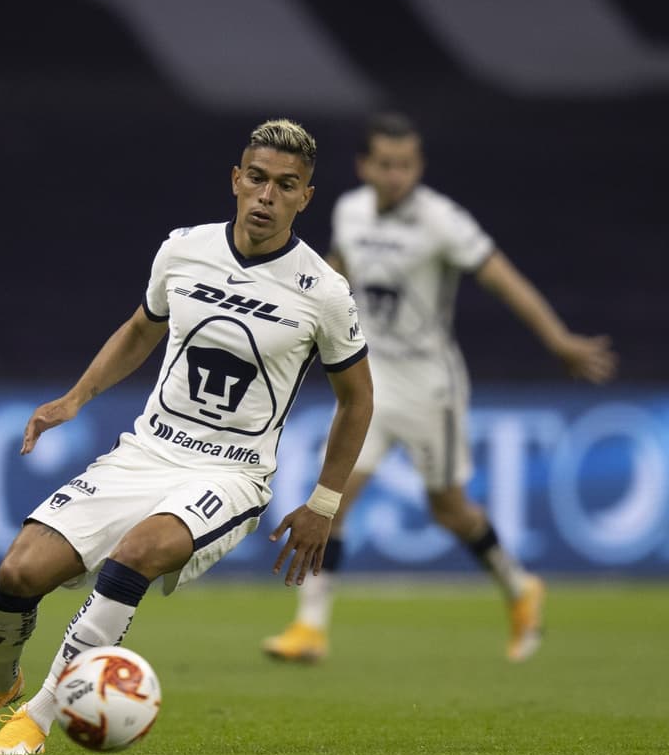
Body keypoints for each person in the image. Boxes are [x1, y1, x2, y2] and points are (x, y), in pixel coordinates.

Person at [0, 119, 374, 755]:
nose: (266, 196)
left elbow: (357, 398)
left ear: (306, 197)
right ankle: (1, 683)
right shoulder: (184, 249)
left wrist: (324, 504)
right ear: (236, 179)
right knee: (17, 573)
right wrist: (75, 398)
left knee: (135, 555)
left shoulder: (324, 292)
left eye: (286, 185)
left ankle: (42, 713)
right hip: (146, 451)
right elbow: (142, 328)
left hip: (231, 473)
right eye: (257, 179)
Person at [261, 112, 617, 665]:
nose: (397, 174)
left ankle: (520, 585)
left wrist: (558, 339)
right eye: (385, 163)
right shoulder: (351, 210)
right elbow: (336, 274)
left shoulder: (442, 221)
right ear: (364, 165)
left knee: (449, 509)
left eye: (406, 164)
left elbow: (504, 280)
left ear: (418, 166)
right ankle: (310, 627)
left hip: (431, 389)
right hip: (372, 385)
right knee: (333, 499)